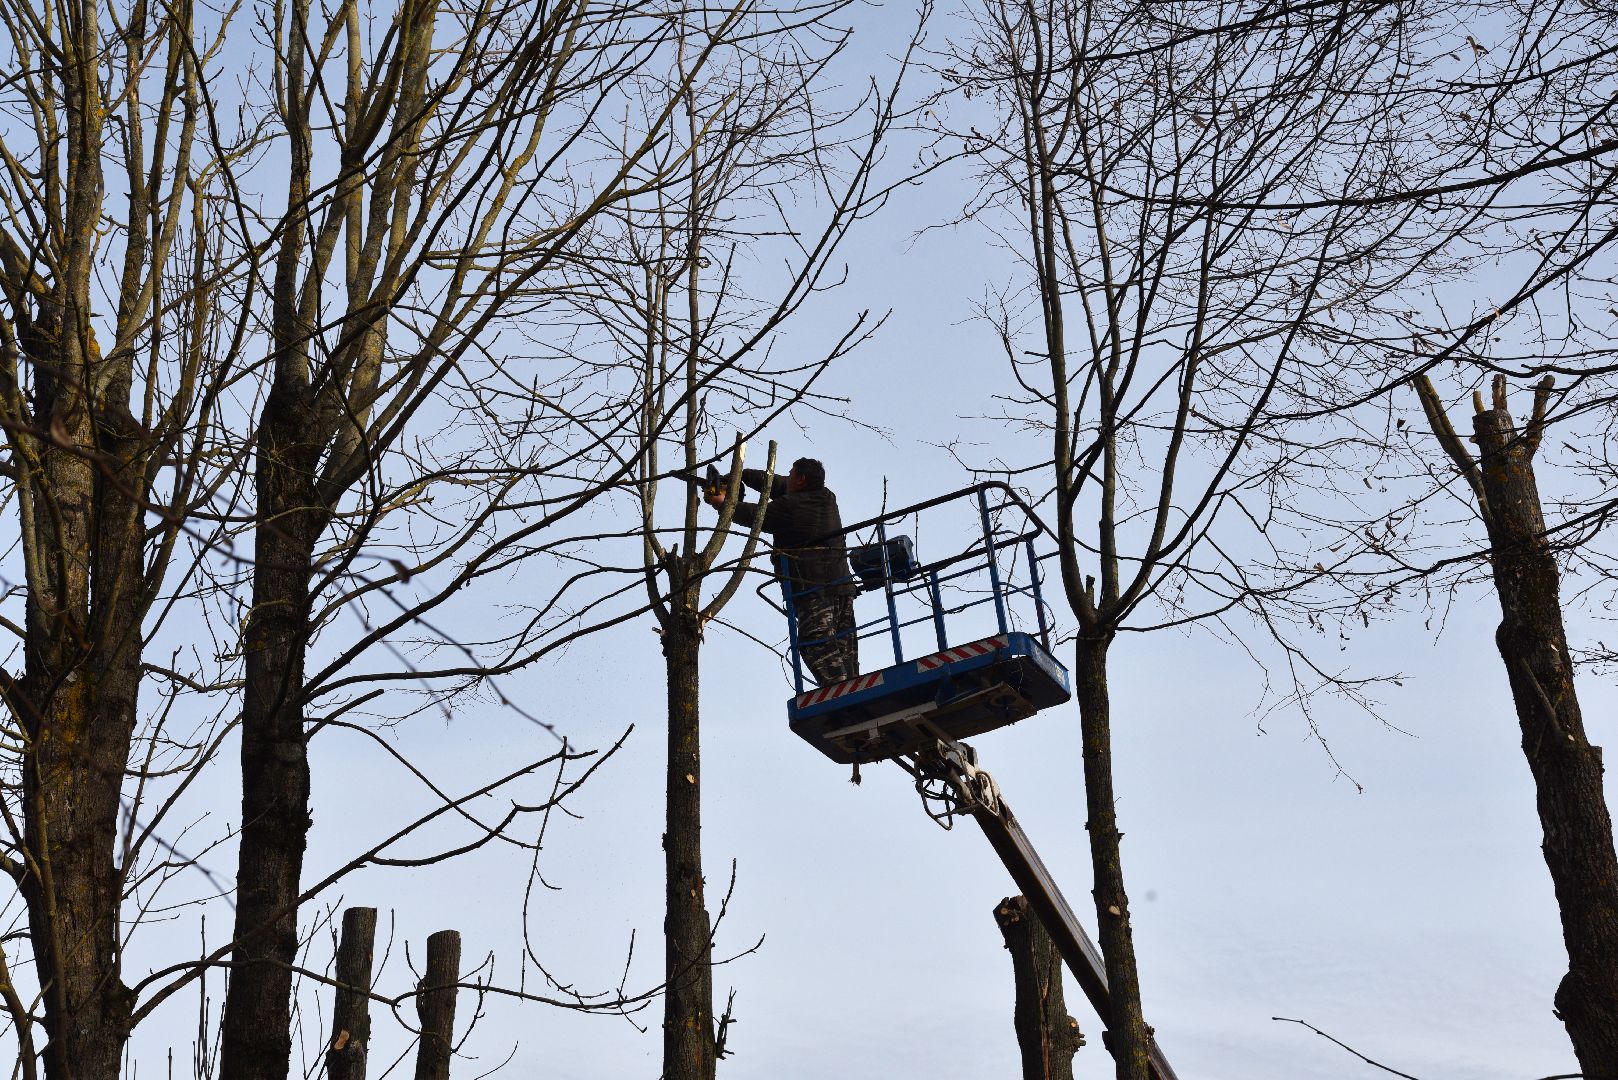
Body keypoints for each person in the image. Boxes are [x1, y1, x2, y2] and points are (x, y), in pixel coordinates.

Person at [705, 458, 859, 686]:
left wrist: (722, 503)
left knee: (815, 643)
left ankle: (842, 693)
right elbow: (777, 484)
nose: (787, 478)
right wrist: (741, 475)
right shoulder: (826, 497)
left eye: (791, 474)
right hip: (842, 586)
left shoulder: (791, 508)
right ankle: (854, 689)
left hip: (814, 588)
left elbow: (756, 515)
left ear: (801, 479)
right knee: (843, 649)